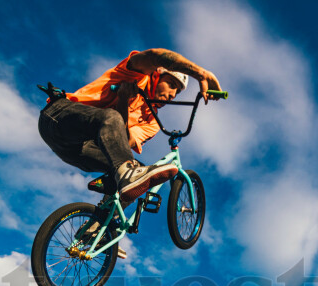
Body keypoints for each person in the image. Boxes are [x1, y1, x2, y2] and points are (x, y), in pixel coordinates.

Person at [38, 49, 222, 205]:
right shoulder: (136, 75)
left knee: (137, 172)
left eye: (177, 91)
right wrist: (200, 73)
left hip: (76, 150)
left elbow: (122, 143)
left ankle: (100, 228)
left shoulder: (152, 122)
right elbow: (156, 56)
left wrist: (123, 101)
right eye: (171, 85)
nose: (173, 94)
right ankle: (121, 178)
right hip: (59, 117)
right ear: (156, 75)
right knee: (112, 118)